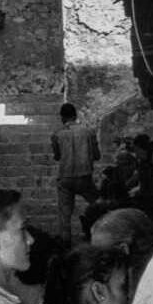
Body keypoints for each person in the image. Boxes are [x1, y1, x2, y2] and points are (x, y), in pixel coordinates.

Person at [52, 103, 101, 240]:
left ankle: (65, 243)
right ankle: (100, 232)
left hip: (65, 178)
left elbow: (57, 156)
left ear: (62, 118)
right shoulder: (88, 132)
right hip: (84, 177)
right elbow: (97, 156)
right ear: (76, 115)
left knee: (65, 216)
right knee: (99, 204)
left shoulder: (57, 135)